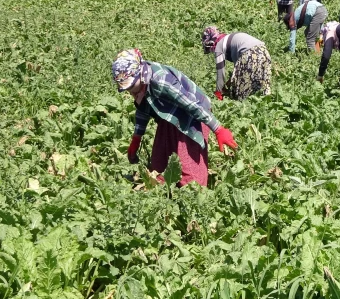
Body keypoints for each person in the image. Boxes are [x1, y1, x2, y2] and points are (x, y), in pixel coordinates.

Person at [111, 49, 238, 187]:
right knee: (159, 162)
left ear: (139, 73)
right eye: (126, 89)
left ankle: (195, 196)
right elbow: (143, 109)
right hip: (169, 115)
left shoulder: (161, 81)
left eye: (131, 86)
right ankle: (164, 193)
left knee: (188, 167)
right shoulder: (140, 84)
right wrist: (137, 137)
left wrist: (218, 129)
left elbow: (191, 105)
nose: (130, 92)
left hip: (193, 115)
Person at [201, 26, 272, 100]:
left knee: (241, 95)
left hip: (250, 54)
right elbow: (238, 73)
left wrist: (218, 94)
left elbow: (220, 74)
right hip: (264, 51)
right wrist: (227, 85)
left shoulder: (219, 45)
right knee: (261, 87)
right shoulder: (230, 38)